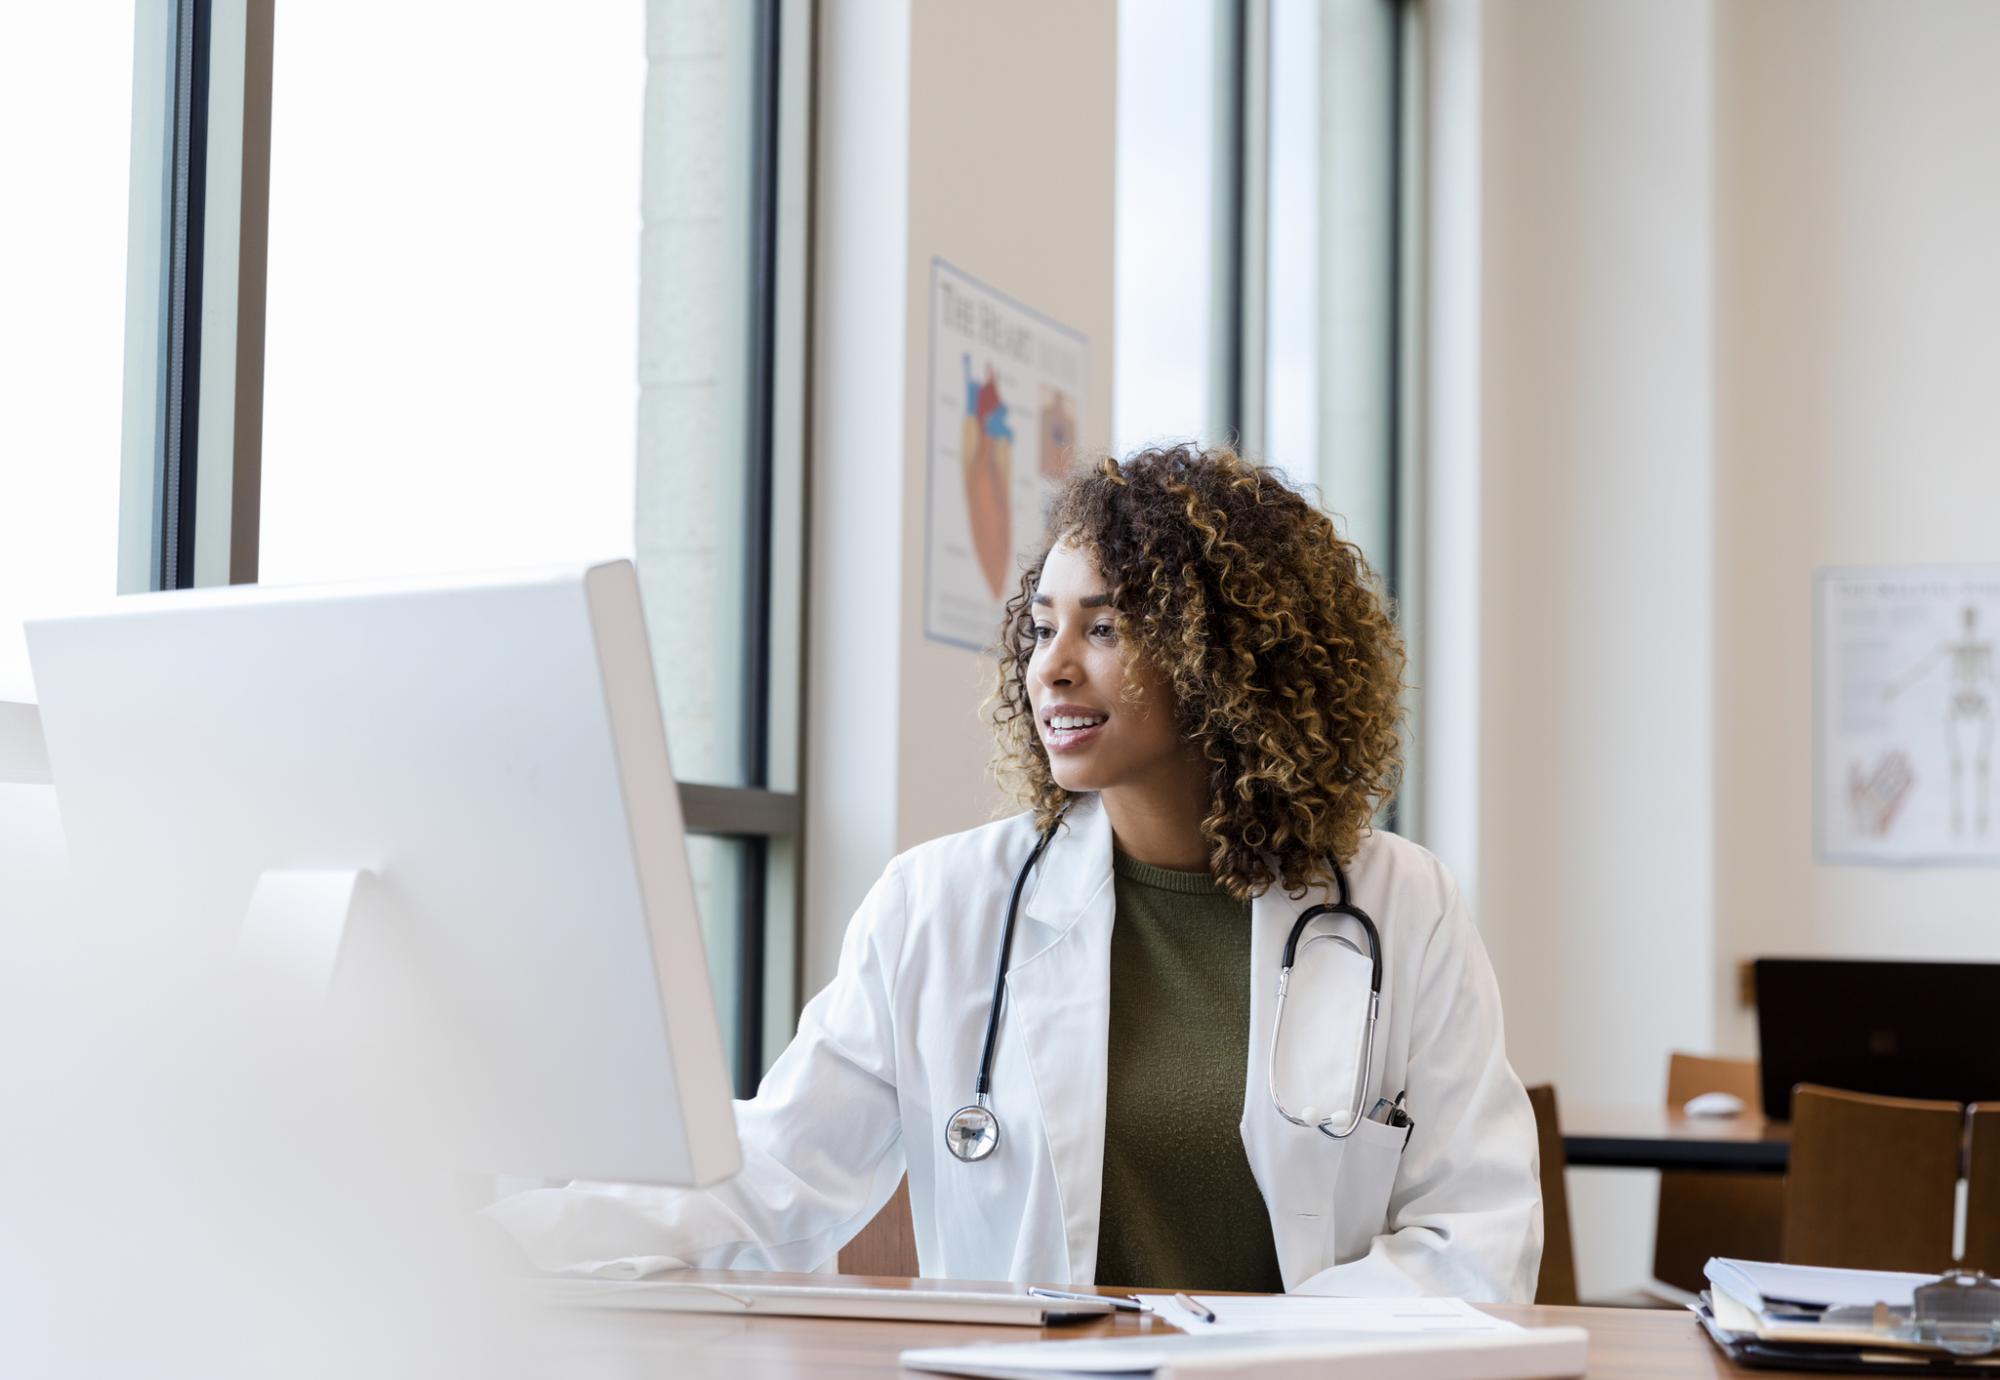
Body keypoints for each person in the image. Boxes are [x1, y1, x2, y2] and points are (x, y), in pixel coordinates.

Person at [489, 445, 1542, 1300]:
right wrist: (502, 1229)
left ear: (1226, 658)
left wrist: (1249, 1355)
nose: (1051, 666)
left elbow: (1474, 1236)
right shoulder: (939, 905)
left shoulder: (1400, 908)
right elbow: (772, 1178)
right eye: (1041, 627)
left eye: (1106, 627)